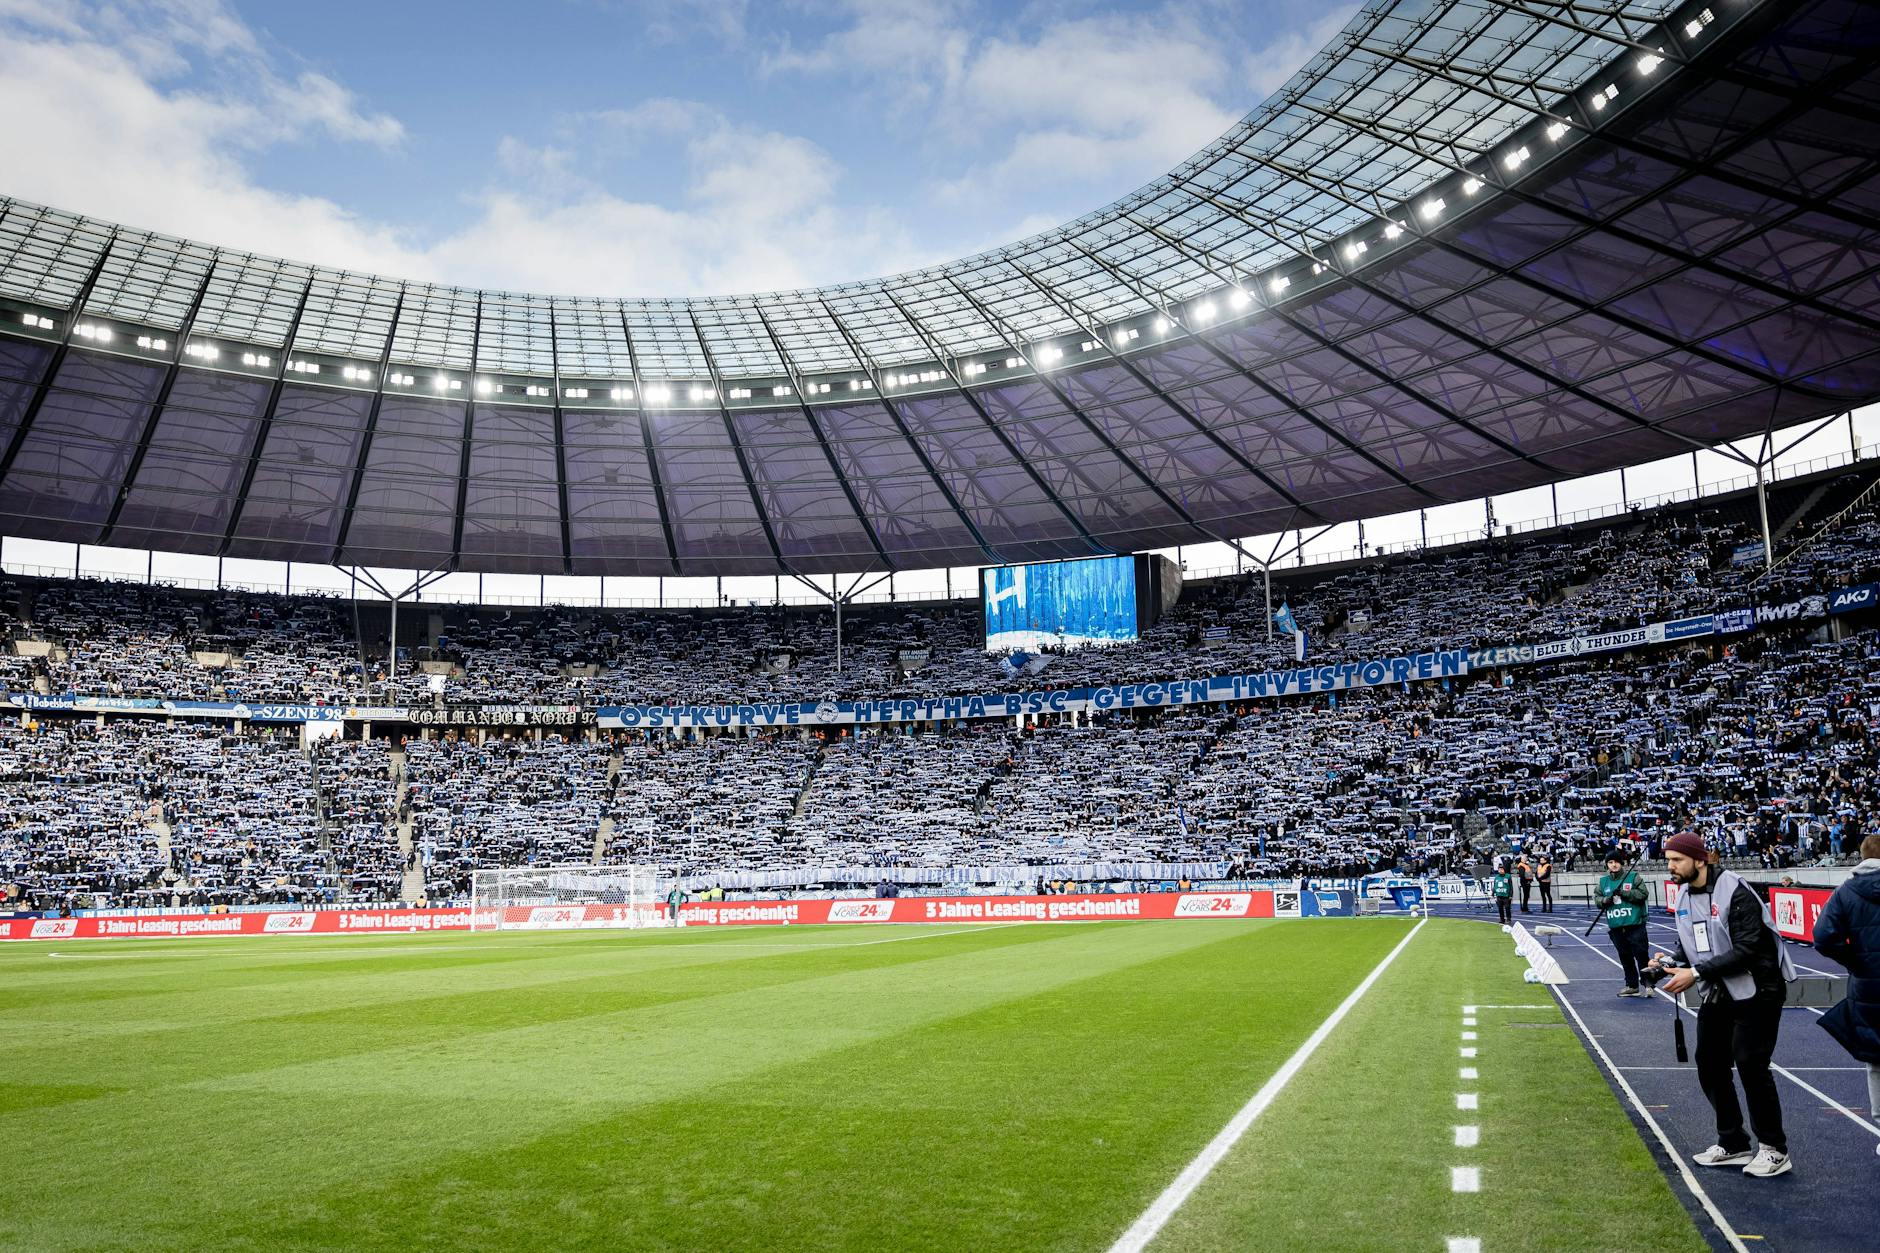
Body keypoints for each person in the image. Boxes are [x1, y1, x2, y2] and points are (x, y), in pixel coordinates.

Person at [1649, 831, 1797, 1179]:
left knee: (1750, 1062)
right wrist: (1669, 961)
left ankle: (1774, 1149)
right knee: (1710, 1062)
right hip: (1720, 989)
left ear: (1700, 860)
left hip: (1759, 988)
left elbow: (1747, 949)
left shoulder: (1735, 891)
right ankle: (1733, 1142)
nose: (1670, 866)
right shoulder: (1683, 894)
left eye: (1677, 860)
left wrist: (1695, 972)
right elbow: (1692, 942)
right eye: (1668, 860)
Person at [1810, 833, 1880, 1160]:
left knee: (1876, 1061)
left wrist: (1854, 961)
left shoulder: (1847, 890)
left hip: (1867, 987)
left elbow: (1823, 936)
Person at [1597, 850, 1651, 997]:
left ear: (1621, 863)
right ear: (1607, 865)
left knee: (1641, 955)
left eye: (1616, 862)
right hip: (1616, 926)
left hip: (1635, 924)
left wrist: (1624, 893)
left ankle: (1648, 984)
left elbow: (1643, 894)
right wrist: (1605, 900)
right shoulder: (1603, 882)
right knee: (1625, 957)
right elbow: (1597, 898)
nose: (1614, 865)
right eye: (1610, 862)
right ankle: (1631, 985)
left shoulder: (1633, 877)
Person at [1492, 860, 1513, 926]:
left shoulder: (1508, 876)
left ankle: (1508, 919)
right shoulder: (1496, 877)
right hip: (1499, 895)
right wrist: (1493, 893)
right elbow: (1495, 886)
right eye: (1499, 869)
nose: (1500, 870)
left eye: (1502, 869)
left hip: (1506, 896)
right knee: (1500, 908)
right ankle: (1502, 919)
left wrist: (1510, 895)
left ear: (1504, 870)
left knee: (1507, 908)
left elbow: (1511, 886)